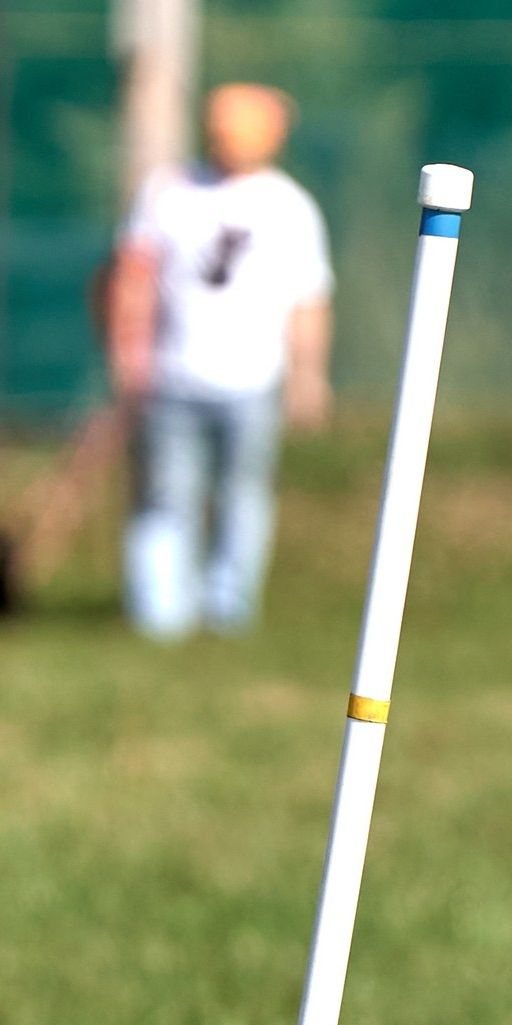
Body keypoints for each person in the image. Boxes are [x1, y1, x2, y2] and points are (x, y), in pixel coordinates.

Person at [107, 82, 334, 639]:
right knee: (164, 495)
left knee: (243, 494)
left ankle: (229, 608)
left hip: (253, 378)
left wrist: (308, 376)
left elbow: (308, 300)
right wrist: (127, 353)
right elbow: (133, 276)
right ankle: (161, 616)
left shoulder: (291, 206)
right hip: (172, 373)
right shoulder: (169, 191)